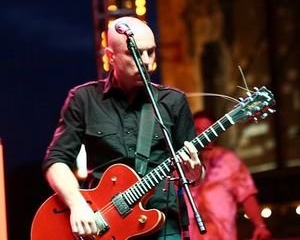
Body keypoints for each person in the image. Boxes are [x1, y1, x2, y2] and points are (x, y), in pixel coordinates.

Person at [42, 16, 204, 239]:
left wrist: (194, 170)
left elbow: (195, 173)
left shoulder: (172, 101)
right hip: (105, 225)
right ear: (111, 57)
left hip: (163, 224)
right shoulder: (84, 99)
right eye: (135, 53)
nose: (146, 61)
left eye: (151, 52)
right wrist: (77, 204)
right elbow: (56, 160)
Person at [187, 111, 272, 240]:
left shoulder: (228, 160)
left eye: (208, 130)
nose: (203, 135)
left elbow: (247, 194)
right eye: (198, 130)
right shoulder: (179, 162)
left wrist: (259, 225)